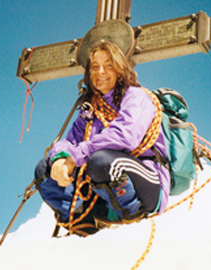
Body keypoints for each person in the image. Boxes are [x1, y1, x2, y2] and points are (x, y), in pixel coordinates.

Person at [35, 40, 171, 235]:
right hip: (104, 190)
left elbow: (125, 136)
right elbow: (69, 142)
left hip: (147, 182)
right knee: (44, 168)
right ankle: (82, 223)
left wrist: (75, 157)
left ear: (119, 69)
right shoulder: (91, 111)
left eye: (108, 65)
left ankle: (132, 215)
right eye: (95, 67)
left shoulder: (137, 97)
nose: (101, 72)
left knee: (101, 162)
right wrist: (59, 159)